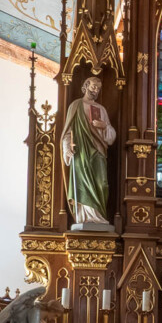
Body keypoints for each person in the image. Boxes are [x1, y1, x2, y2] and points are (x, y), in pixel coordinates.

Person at [61, 77, 116, 226]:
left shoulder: (101, 109)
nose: (95, 90)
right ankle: (84, 216)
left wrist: (104, 126)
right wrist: (67, 149)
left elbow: (110, 137)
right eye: (93, 87)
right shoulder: (75, 106)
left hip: (98, 151)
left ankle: (98, 216)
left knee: (102, 184)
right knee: (82, 184)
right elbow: (67, 132)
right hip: (81, 153)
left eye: (98, 88)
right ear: (85, 86)